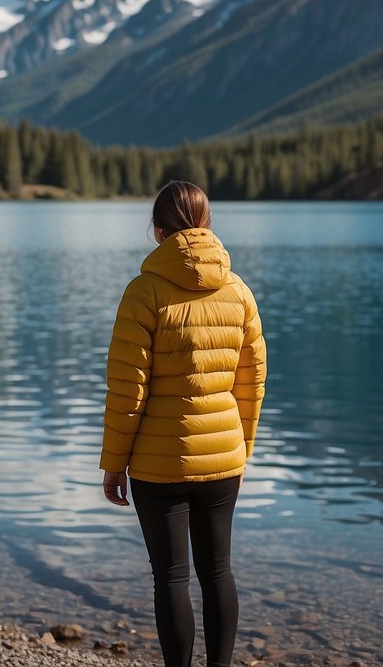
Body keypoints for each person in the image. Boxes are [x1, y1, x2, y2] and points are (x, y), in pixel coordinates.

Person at [100, 180, 267, 667]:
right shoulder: (238, 291)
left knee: (171, 577)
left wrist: (113, 464)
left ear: (157, 230)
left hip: (157, 466)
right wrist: (242, 448)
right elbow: (252, 382)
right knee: (218, 571)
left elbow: (127, 390)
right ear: (206, 222)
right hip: (223, 461)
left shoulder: (143, 292)